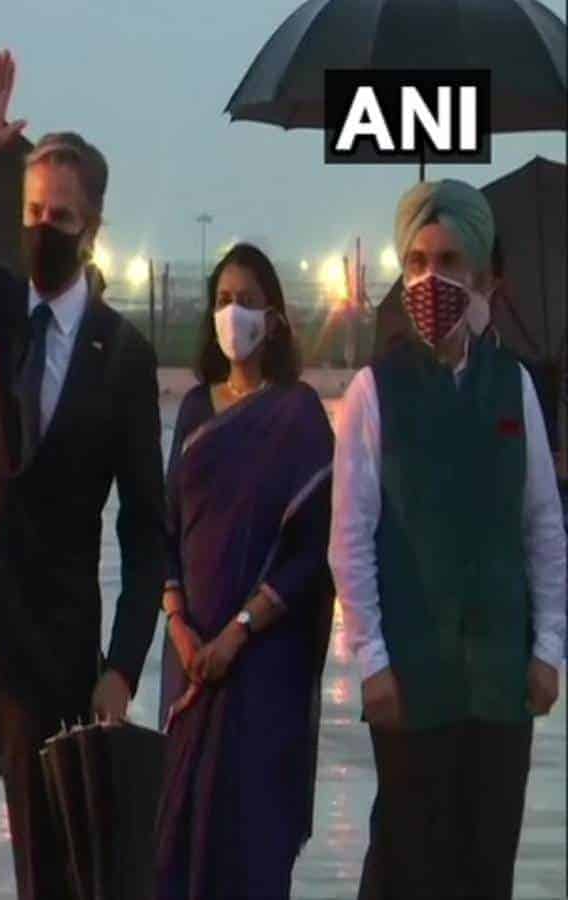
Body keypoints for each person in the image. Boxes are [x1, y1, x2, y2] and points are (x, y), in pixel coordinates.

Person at [0, 51, 167, 899]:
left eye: (62, 216)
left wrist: (123, 664)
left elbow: (146, 529)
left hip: (53, 647)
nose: (44, 227)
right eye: (34, 211)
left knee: (50, 866)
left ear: (93, 226)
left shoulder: (122, 356)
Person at [330, 179, 566, 900]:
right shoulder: (374, 392)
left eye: (450, 262)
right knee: (411, 866)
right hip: (411, 681)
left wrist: (548, 647)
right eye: (418, 262)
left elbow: (543, 527)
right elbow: (349, 541)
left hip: (501, 679)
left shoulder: (514, 387)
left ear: (484, 277)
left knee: (486, 869)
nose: (432, 279)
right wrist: (371, 660)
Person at [156, 244, 335, 899]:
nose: (235, 313)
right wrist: (180, 626)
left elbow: (311, 553)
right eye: (224, 300)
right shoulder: (194, 411)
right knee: (179, 848)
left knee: (252, 846)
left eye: (248, 301)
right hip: (190, 664)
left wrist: (238, 631)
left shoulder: (300, 415)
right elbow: (167, 531)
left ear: (274, 317)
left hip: (263, 665)